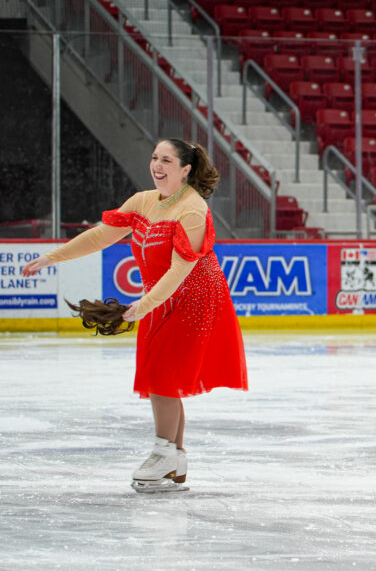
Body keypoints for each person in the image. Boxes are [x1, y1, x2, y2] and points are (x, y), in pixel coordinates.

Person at [22, 139, 247, 493]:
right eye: (155, 158)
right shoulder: (143, 201)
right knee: (160, 374)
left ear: (185, 169)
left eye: (167, 160)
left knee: (161, 374)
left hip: (194, 298)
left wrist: (141, 306)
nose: (157, 165)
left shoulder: (192, 210)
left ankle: (163, 452)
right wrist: (53, 257)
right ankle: (175, 456)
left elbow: (179, 271)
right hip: (158, 298)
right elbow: (102, 236)